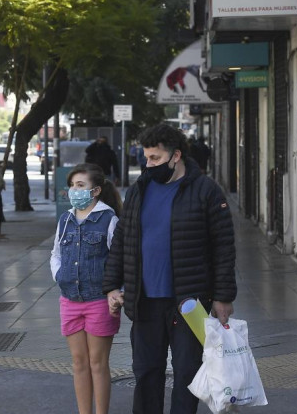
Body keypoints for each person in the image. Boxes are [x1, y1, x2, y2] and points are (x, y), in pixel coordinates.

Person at [102, 123, 236, 414]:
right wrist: (112, 286)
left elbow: (223, 246)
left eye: (155, 159)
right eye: (146, 158)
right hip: (145, 300)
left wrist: (224, 296)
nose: (148, 165)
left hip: (189, 302)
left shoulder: (206, 190)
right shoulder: (140, 190)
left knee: (188, 373)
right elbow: (122, 239)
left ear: (175, 156)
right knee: (147, 372)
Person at [51, 163, 123, 414]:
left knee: (97, 363)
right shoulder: (65, 219)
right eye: (72, 185)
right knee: (79, 362)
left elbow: (119, 258)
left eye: (80, 185)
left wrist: (116, 290)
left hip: (99, 301)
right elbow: (56, 254)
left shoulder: (108, 218)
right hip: (69, 300)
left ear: (95, 190)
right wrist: (60, 276)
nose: (74, 190)